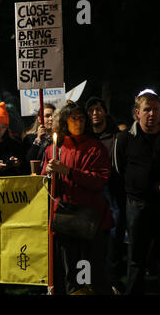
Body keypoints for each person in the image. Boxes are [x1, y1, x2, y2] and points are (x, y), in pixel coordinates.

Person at [41, 102, 114, 295]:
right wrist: (47, 174)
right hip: (65, 221)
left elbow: (99, 180)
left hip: (91, 221)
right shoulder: (53, 149)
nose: (79, 122)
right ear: (64, 121)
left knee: (93, 273)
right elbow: (44, 186)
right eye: (74, 118)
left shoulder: (95, 148)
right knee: (69, 274)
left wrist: (69, 171)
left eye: (82, 118)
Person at [114, 90, 160, 295]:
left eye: (156, 109)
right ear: (137, 113)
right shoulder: (125, 138)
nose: (152, 114)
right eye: (147, 109)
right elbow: (118, 168)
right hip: (136, 204)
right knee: (136, 258)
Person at [85, 96, 127, 293]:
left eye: (98, 109)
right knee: (93, 240)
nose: (95, 113)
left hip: (113, 192)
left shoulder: (117, 136)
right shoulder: (85, 137)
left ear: (105, 112)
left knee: (114, 238)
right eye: (91, 110)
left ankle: (112, 281)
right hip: (91, 193)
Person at [0, 102, 25, 177]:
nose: (0, 130)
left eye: (4, 127)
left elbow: (25, 168)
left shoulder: (14, 144)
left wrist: (18, 163)